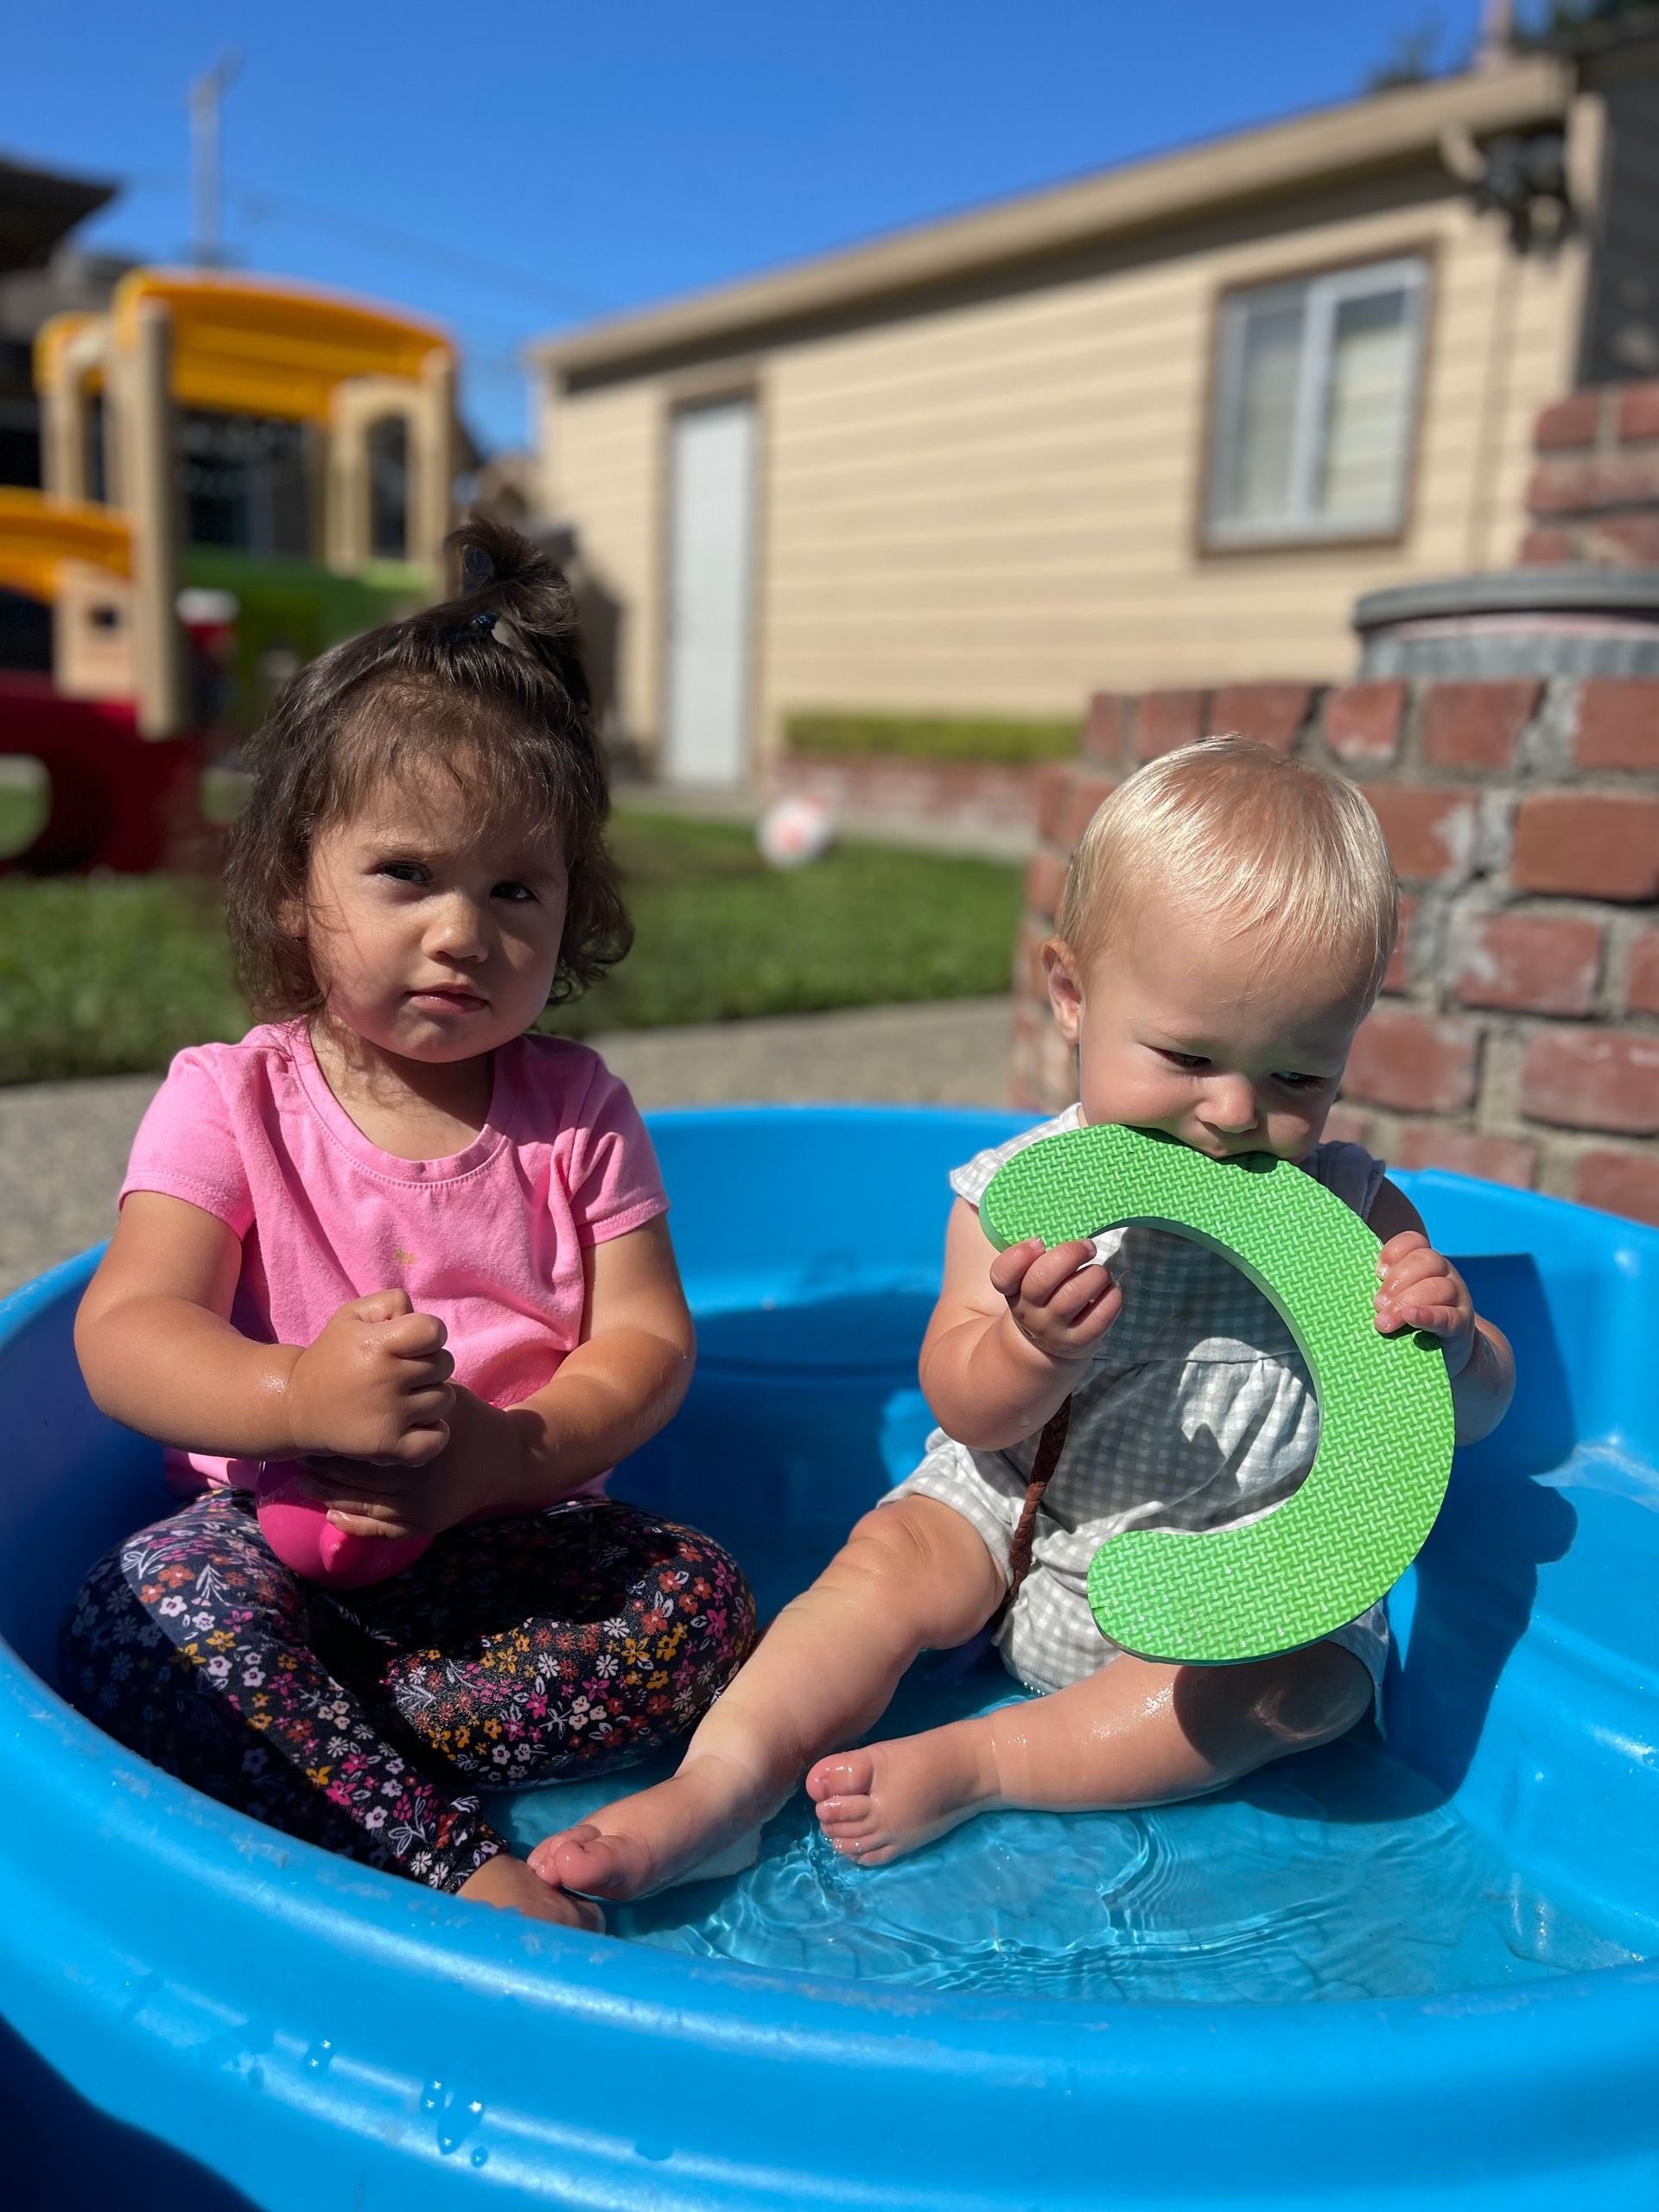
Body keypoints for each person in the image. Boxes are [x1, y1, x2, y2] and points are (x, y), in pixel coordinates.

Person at [530, 736, 1516, 1904]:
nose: (1236, 1112)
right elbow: (959, 1395)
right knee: (887, 1560)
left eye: (1300, 1076)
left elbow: (1465, 1416)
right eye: (1190, 1055)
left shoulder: (1351, 1203)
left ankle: (984, 1763)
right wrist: (1030, 1348)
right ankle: (724, 1787)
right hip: (1016, 1516)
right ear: (1072, 997)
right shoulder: (1018, 1196)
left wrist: (1449, 1341)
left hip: (1239, 1573)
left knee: (1310, 1688)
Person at [62, 520, 756, 1929]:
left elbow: (648, 1344)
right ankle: (444, 1859)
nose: (463, 932)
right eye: (406, 876)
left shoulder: (577, 1109)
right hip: (274, 1525)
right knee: (141, 1611)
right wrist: (290, 1392)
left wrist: (507, 1456)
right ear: (289, 886)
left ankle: (311, 1749)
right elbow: (127, 1329)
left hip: (501, 1544)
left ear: (573, 909)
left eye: (515, 889)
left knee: (701, 1603)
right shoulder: (231, 1098)